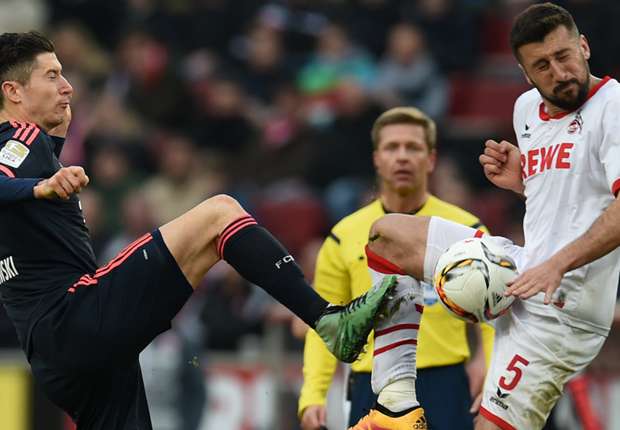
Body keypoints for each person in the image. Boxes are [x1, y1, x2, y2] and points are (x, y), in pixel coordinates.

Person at [0, 31, 393, 430]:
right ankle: (330, 321)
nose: (66, 86)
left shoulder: (32, 149)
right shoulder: (19, 141)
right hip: (72, 320)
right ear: (13, 91)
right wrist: (39, 186)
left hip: (56, 356)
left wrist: (52, 151)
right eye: (51, 75)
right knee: (219, 215)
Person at [348, 3, 620, 430]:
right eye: (542, 65)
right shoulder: (527, 109)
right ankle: (398, 400)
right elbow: (571, 194)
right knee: (387, 237)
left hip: (565, 310)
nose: (559, 72)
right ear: (526, 73)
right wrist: (524, 181)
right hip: (524, 269)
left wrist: (558, 264)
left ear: (584, 47)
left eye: (565, 56)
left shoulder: (614, 106)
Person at [298, 106, 494, 430]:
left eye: (413, 147)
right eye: (392, 147)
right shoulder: (343, 235)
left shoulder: (467, 229)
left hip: (446, 383)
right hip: (370, 385)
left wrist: (490, 365)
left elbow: (494, 314)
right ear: (377, 158)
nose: (402, 157)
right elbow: (325, 323)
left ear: (431, 159)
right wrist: (312, 395)